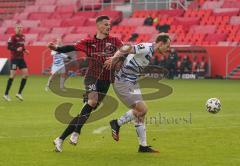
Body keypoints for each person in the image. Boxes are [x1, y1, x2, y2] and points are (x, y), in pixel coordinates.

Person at [48, 15, 122, 152]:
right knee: (92, 102)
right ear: (99, 26)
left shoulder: (115, 41)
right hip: (91, 78)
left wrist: (116, 59)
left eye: (109, 25)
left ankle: (60, 139)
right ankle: (76, 133)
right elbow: (71, 47)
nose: (108, 27)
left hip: (106, 80)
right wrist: (57, 48)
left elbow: (124, 51)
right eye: (106, 24)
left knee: (86, 111)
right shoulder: (88, 42)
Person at [104, 33, 171, 153]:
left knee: (141, 114)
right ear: (161, 43)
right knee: (142, 109)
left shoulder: (150, 52)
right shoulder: (146, 47)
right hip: (123, 81)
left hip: (132, 82)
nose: (168, 48)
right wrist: (114, 58)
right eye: (167, 45)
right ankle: (116, 123)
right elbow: (126, 48)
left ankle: (143, 146)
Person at [3, 24, 29, 101]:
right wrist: (16, 49)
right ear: (15, 29)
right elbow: (8, 46)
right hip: (14, 59)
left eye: (21, 27)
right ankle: (6, 94)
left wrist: (25, 50)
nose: (20, 29)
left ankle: (19, 93)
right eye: (18, 27)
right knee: (12, 75)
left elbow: (22, 46)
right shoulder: (12, 37)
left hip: (21, 59)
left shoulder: (23, 37)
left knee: (26, 75)